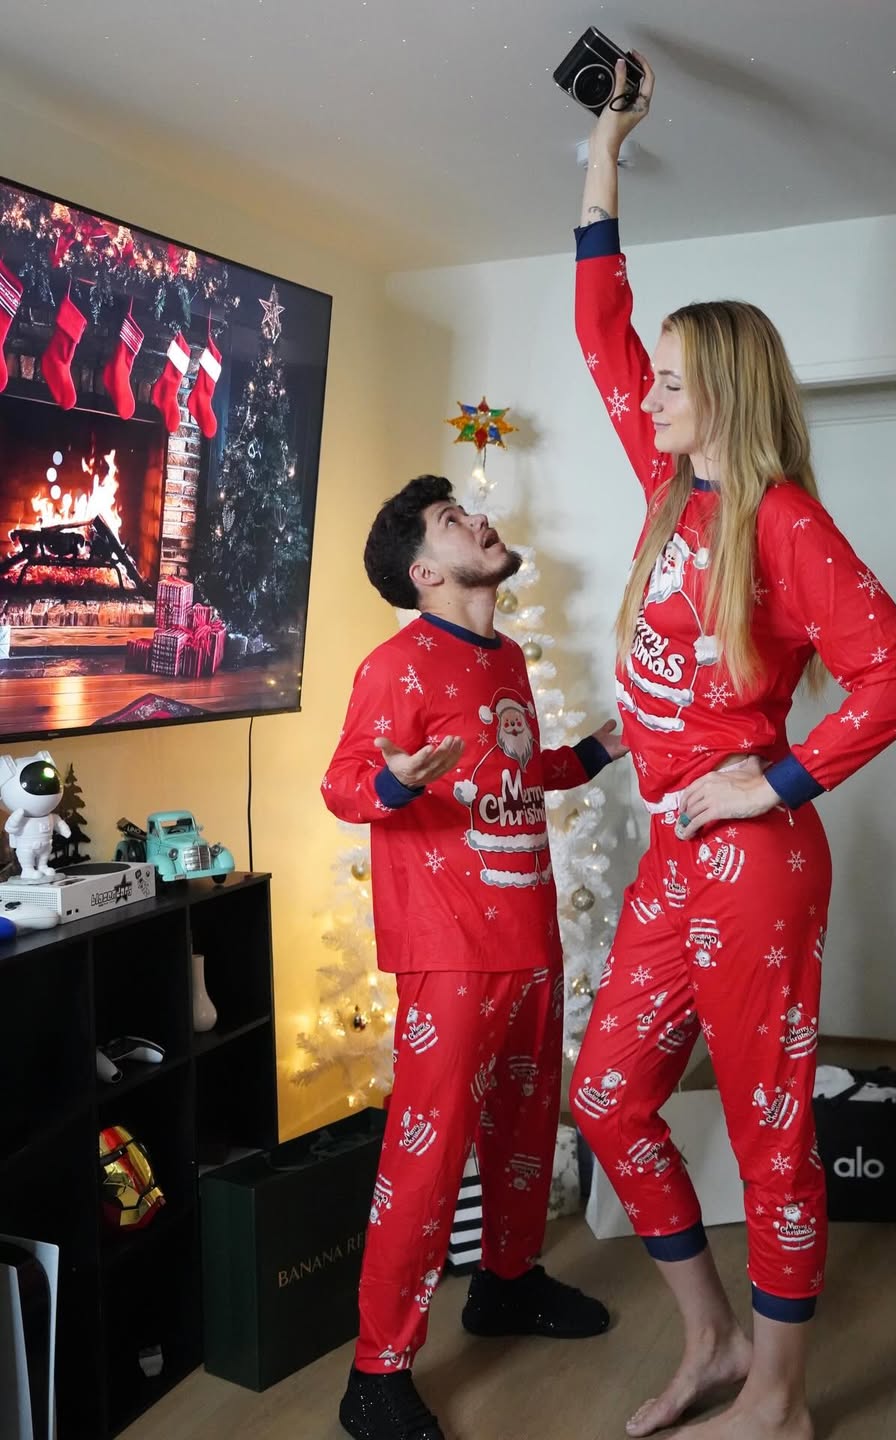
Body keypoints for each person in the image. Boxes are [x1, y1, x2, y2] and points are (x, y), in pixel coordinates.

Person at [568, 53, 896, 1440]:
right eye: (656, 379)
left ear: (722, 389)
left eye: (674, 380)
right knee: (609, 1097)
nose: (651, 394)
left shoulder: (782, 522)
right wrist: (605, 153)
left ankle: (779, 1402)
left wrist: (771, 777)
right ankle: (715, 1339)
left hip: (757, 864)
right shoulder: (670, 488)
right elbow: (601, 331)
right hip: (676, 860)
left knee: (769, 1124)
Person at [322, 474, 623, 1440]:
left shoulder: (506, 659)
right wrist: (395, 782)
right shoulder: (394, 666)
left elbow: (518, 771)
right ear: (425, 572)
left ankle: (506, 1282)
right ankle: (376, 1374)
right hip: (449, 950)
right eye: (454, 522)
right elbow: (342, 783)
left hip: (530, 935)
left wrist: (602, 747)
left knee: (525, 1129)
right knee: (428, 1152)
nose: (479, 522)